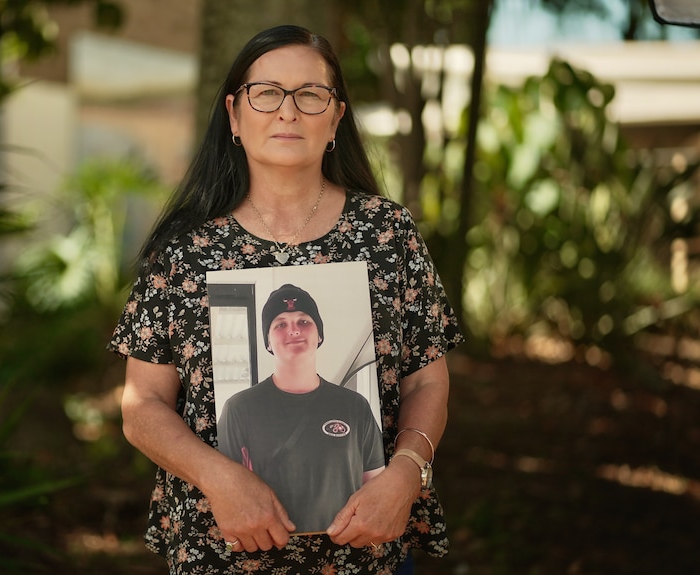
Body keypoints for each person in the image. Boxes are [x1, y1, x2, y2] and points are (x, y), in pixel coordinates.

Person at [109, 24, 464, 575]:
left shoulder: (389, 234)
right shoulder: (185, 250)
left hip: (366, 556)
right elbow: (142, 406)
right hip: (221, 555)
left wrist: (406, 472)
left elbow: (426, 380)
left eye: (310, 95)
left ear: (336, 117)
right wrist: (220, 478)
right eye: (267, 92)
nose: (288, 112)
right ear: (233, 114)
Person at [216, 283, 385, 535]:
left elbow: (375, 488)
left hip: (342, 550)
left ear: (319, 335)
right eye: (280, 324)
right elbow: (225, 491)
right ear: (268, 342)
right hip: (267, 550)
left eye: (304, 321)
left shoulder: (355, 405)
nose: (293, 330)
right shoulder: (239, 409)